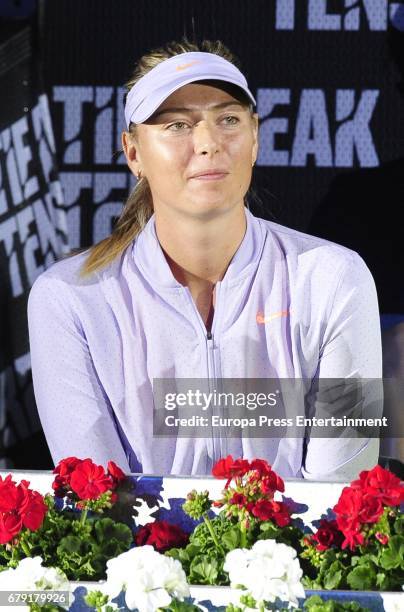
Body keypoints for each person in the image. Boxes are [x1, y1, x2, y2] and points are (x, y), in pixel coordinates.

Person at [27, 38, 383, 478]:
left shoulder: (335, 278)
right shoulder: (69, 297)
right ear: (133, 152)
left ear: (254, 138)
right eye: (177, 125)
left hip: (296, 547)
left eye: (228, 119)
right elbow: (95, 499)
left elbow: (344, 490)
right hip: (134, 548)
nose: (208, 143)